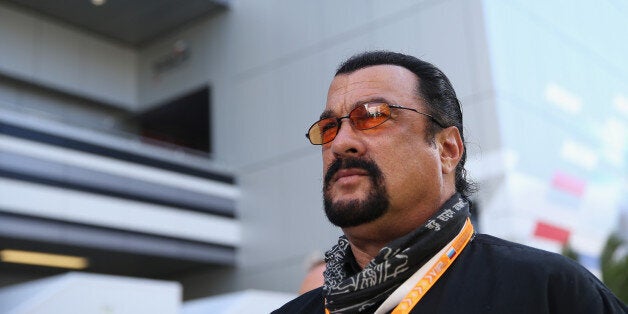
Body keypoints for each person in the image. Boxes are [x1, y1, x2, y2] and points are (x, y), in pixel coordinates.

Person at [273, 51, 628, 313]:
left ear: (447, 148)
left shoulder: (548, 292)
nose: (339, 143)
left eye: (373, 116)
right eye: (330, 127)